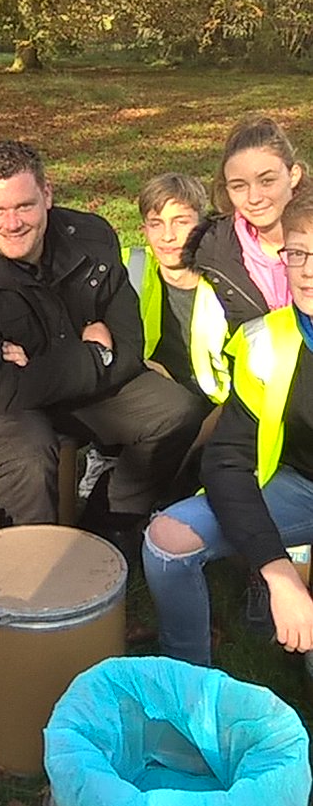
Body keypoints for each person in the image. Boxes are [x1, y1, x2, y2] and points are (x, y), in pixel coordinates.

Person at [0, 139, 206, 550]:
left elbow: (129, 345)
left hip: (69, 385)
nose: (12, 222)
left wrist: (46, 362)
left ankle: (109, 525)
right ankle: (37, 565)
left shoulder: (91, 237)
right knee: (30, 456)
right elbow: (0, 387)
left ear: (47, 195)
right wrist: (92, 352)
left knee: (177, 412)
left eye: (24, 206)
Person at [143, 188, 313, 668]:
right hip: (298, 485)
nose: (306, 270)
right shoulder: (271, 339)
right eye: (297, 253)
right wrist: (277, 570)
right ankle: (188, 682)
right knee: (166, 542)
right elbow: (226, 460)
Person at [184, 115, 305, 330]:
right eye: (239, 186)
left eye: (267, 181)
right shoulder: (212, 253)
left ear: (293, 175)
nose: (254, 197)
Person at [123, 172, 230, 407]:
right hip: (149, 396)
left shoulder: (226, 283)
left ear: (203, 226)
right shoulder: (128, 269)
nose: (168, 236)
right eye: (156, 224)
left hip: (217, 407)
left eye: (181, 222)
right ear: (144, 230)